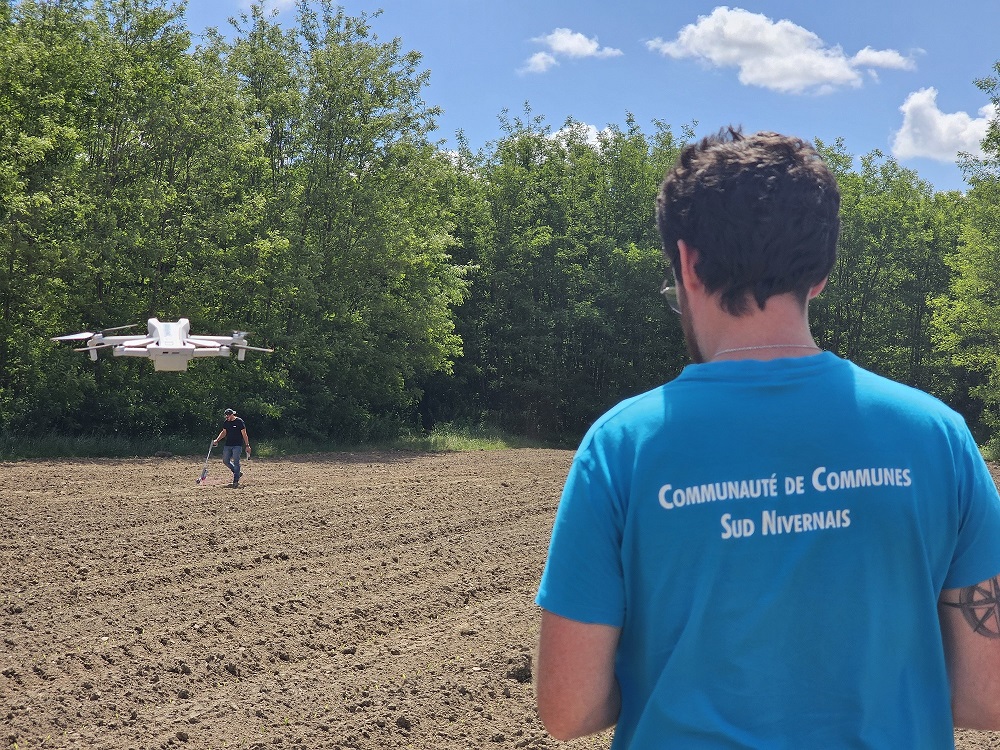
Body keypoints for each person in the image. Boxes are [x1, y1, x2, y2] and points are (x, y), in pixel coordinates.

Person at [535, 127, 1000, 748]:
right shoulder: (937, 435)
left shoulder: (622, 445)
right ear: (821, 273)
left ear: (688, 263)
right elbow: (988, 694)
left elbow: (568, 710)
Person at [213, 408, 251, 488]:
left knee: (236, 461)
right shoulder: (226, 422)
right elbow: (224, 432)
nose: (227, 417)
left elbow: (244, 434)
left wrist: (247, 445)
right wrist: (217, 440)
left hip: (237, 445)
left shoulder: (239, 422)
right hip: (228, 444)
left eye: (228, 416)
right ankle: (237, 472)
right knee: (225, 460)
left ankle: (235, 480)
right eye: (226, 416)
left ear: (232, 415)